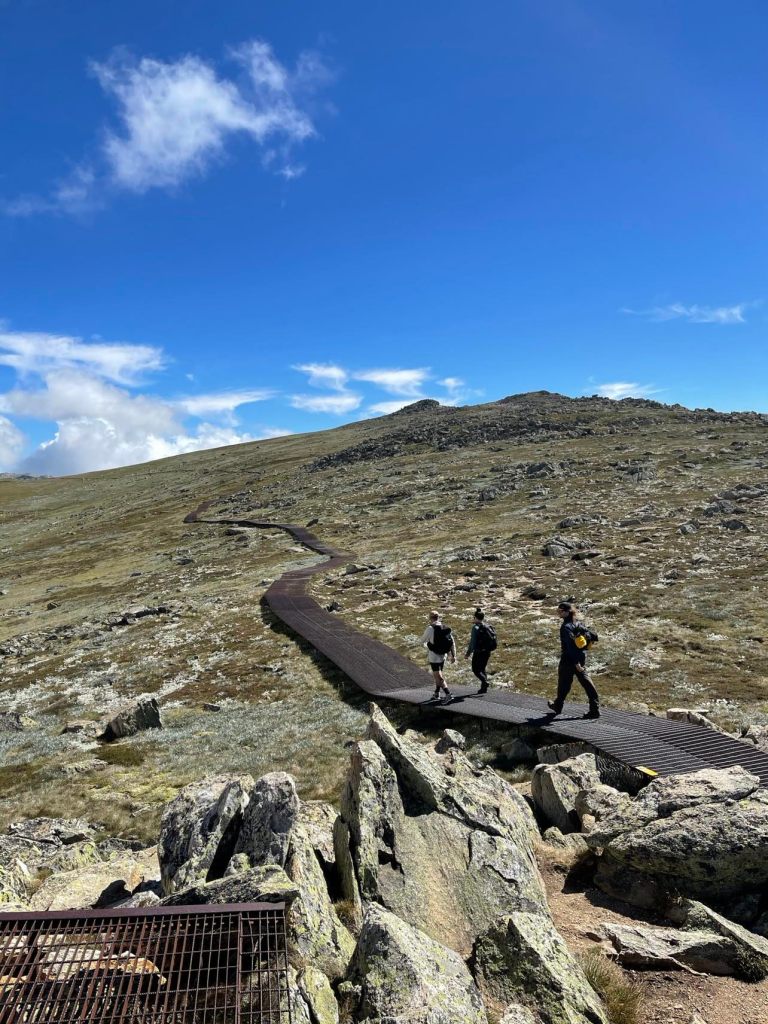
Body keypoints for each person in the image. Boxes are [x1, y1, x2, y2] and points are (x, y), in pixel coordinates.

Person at [547, 601, 600, 719]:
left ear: (566, 612)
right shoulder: (578, 624)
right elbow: (594, 636)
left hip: (569, 660)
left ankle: (557, 706)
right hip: (581, 657)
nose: (558, 612)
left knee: (564, 685)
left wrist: (575, 663)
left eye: (560, 611)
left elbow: (570, 647)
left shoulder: (565, 627)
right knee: (587, 684)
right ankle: (594, 709)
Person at [420, 611, 456, 701]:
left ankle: (448, 694)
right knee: (438, 674)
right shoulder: (445, 627)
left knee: (438, 676)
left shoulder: (430, 628)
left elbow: (421, 640)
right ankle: (437, 693)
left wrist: (426, 644)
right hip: (442, 656)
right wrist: (453, 655)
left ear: (430, 618)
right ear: (438, 617)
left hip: (434, 656)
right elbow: (452, 642)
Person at [465, 608, 495, 694]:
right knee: (482, 669)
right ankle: (483, 689)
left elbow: (472, 643)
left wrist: (468, 654)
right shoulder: (487, 626)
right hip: (487, 651)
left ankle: (485, 682)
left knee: (475, 670)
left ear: (475, 617)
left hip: (479, 652)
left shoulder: (475, 628)